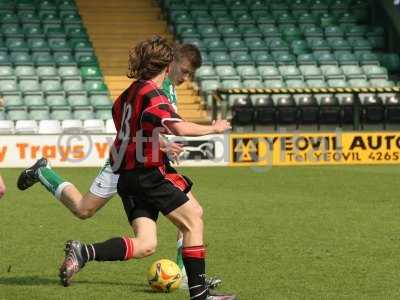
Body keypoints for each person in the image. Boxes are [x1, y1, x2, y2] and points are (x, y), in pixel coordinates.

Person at [16, 42, 221, 289]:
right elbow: (145, 123)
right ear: (170, 64)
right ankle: (42, 171)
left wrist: (161, 144)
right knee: (83, 209)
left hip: (142, 161)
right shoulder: (155, 88)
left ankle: (187, 276)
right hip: (129, 163)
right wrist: (189, 134)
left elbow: (145, 124)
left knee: (188, 217)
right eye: (185, 71)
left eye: (190, 74)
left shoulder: (159, 89)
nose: (185, 78)